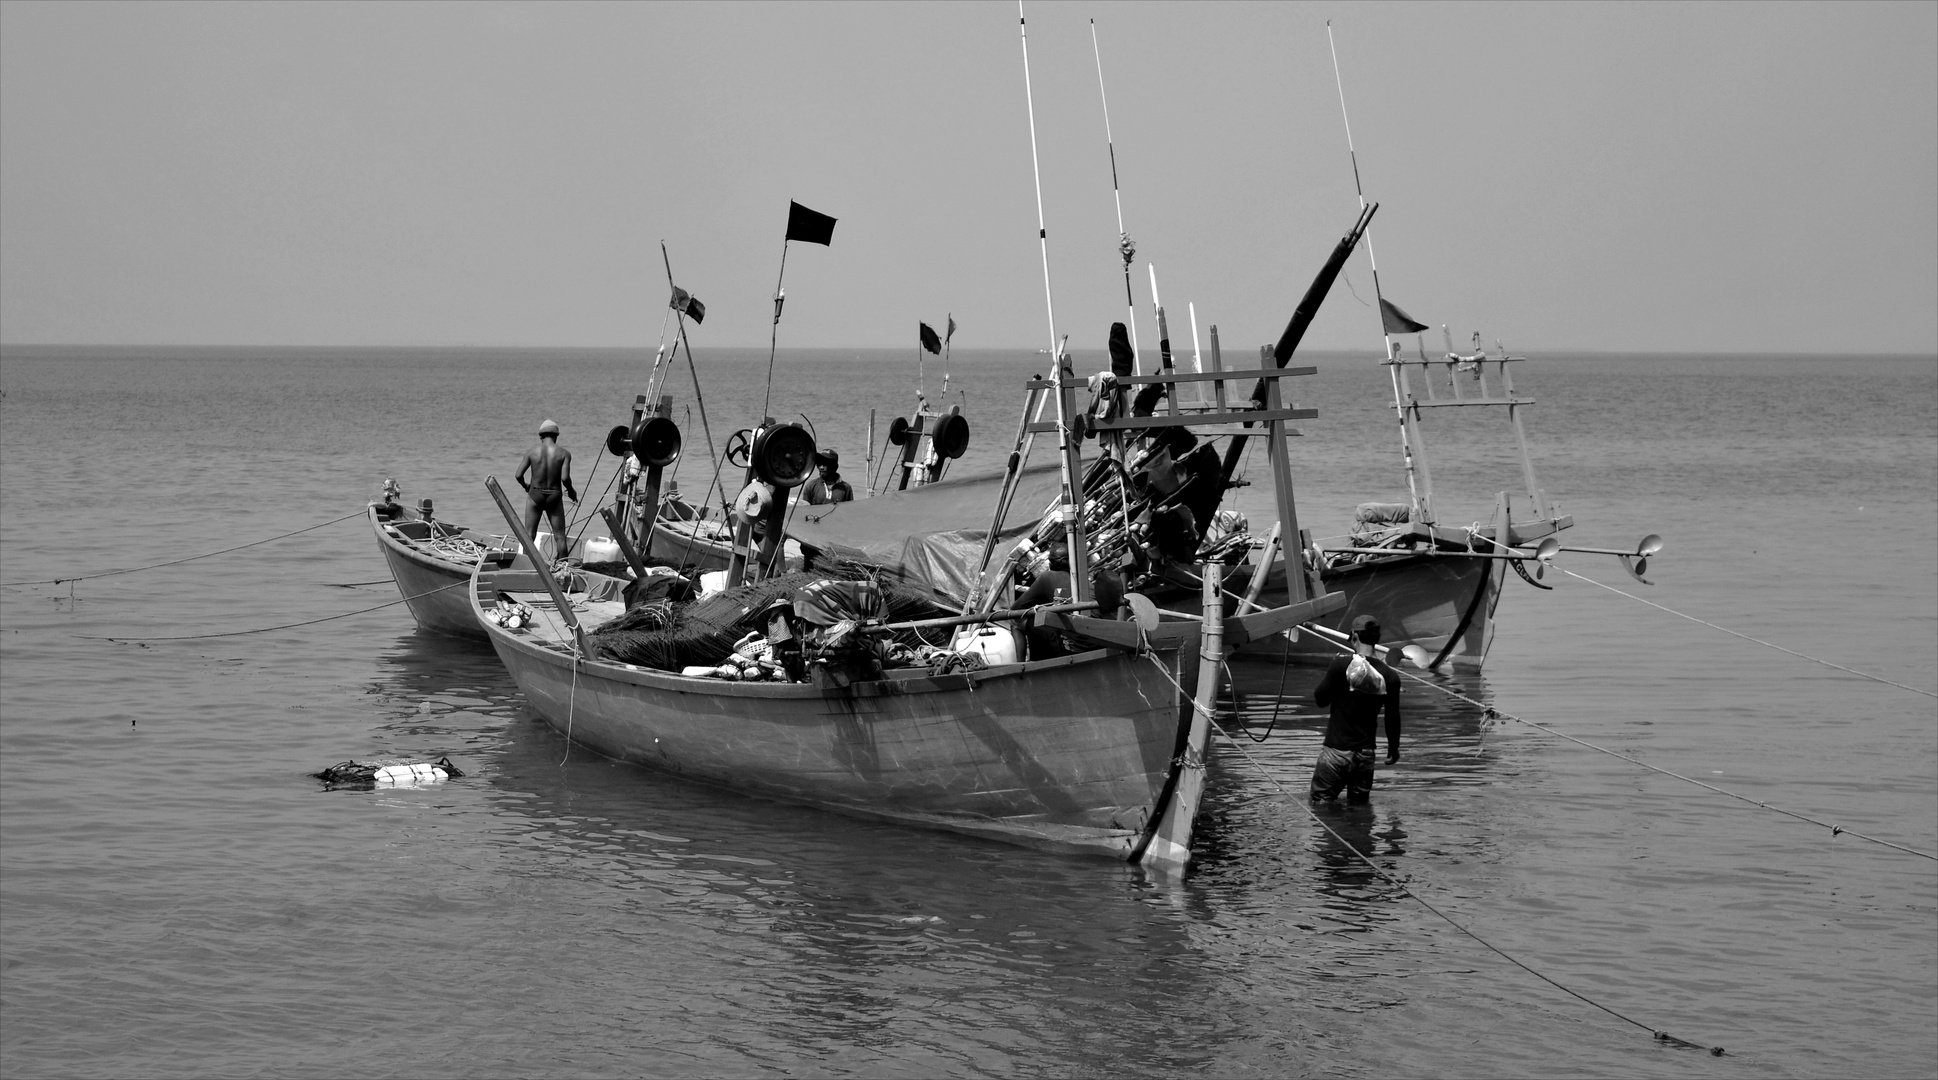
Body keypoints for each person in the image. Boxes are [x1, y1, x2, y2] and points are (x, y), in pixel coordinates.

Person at [1310, 614, 1402, 804]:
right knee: (1359, 809)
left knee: (1320, 804)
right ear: (1377, 639)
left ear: (1354, 636)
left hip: (1336, 752)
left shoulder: (1341, 664)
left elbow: (1320, 699)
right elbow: (1392, 718)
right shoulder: (1390, 677)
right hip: (1365, 755)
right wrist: (1394, 748)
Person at [516, 419, 578, 560]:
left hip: (535, 493)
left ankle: (527, 568)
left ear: (540, 437)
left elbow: (518, 475)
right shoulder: (564, 453)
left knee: (529, 535)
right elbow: (565, 478)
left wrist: (526, 486)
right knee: (560, 537)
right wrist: (571, 490)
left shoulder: (531, 452)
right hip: (554, 496)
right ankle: (564, 568)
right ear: (556, 436)